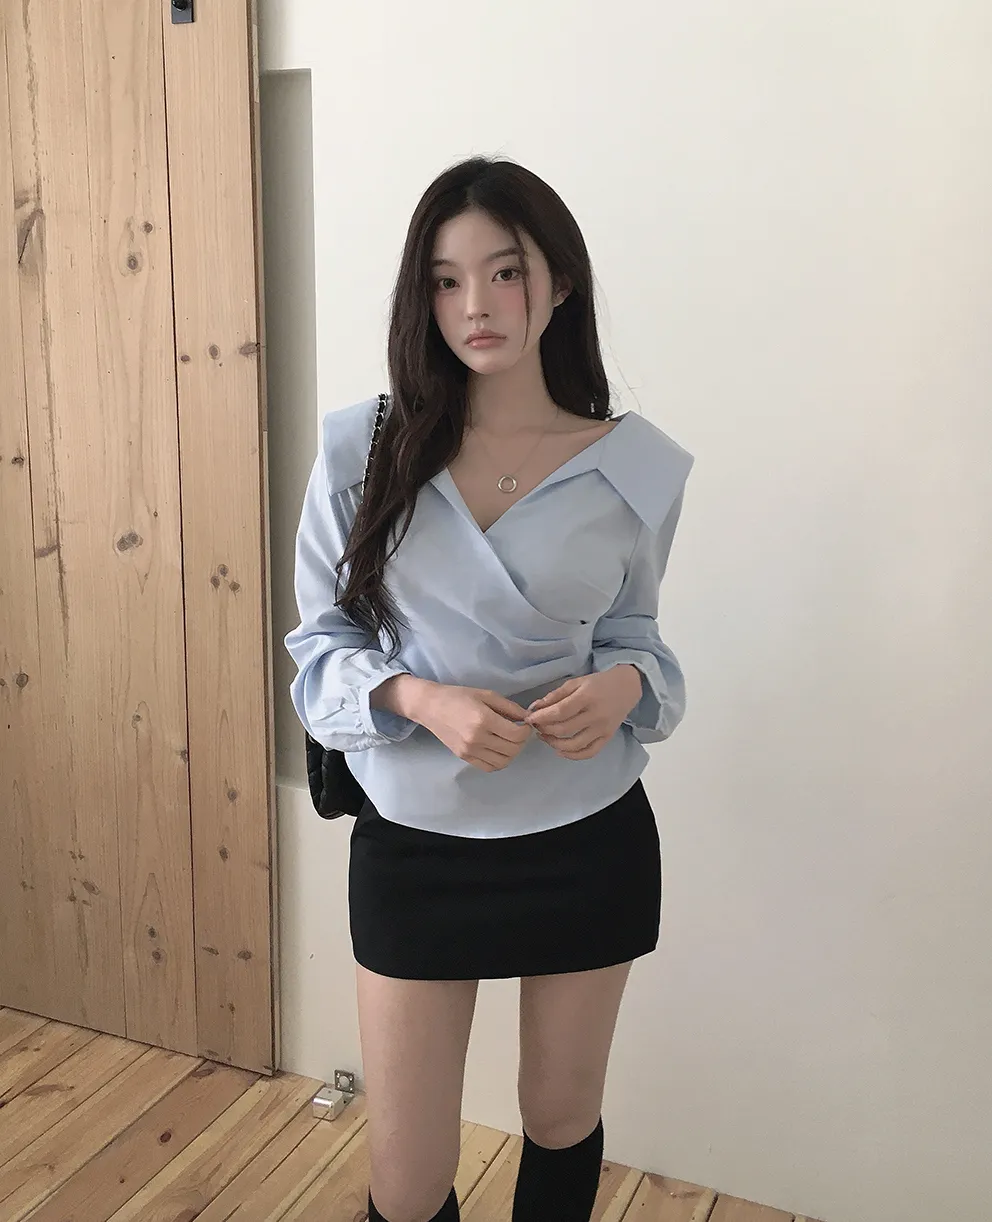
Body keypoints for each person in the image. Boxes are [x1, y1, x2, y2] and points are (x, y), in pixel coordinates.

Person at [285, 156, 694, 1222]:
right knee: (407, 1178)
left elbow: (639, 637)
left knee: (559, 1116)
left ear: (560, 284)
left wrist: (622, 685)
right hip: (415, 838)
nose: (476, 304)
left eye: (506, 272)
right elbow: (319, 648)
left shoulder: (637, 467)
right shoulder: (360, 450)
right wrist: (419, 700)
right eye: (445, 279)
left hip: (587, 833)